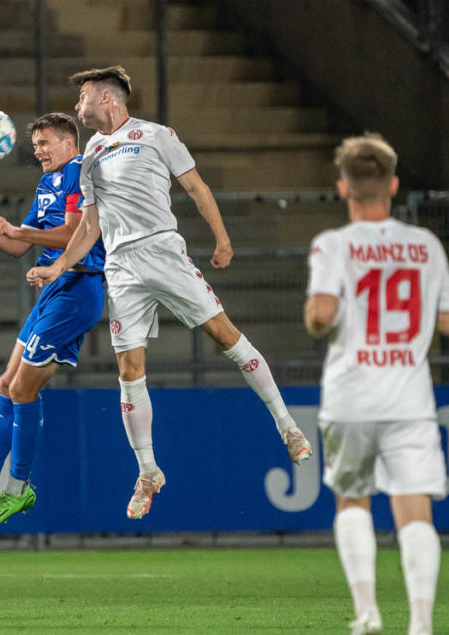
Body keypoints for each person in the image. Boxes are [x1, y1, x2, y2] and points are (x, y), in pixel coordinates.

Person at [26, 65, 312, 519]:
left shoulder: (157, 136)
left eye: (83, 96)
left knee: (225, 336)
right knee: (129, 368)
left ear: (107, 99)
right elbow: (90, 225)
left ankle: (287, 425)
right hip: (121, 267)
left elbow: (196, 187)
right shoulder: (93, 153)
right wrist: (58, 266)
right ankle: (148, 471)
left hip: (162, 251)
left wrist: (222, 239)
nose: (77, 105)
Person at [305, 133, 449, 635]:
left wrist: (320, 317)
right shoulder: (426, 245)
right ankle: (420, 629)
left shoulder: (333, 244)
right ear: (394, 185)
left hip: (350, 396)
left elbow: (321, 316)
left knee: (352, 500)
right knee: (414, 512)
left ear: (342, 187)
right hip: (409, 397)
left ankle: (368, 611)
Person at [0, 112, 106, 525]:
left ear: (69, 143)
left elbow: (73, 234)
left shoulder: (80, 173)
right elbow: (14, 244)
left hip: (79, 289)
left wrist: (21, 232)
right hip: (53, 291)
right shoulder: (47, 183)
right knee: (5, 384)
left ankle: (19, 487)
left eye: (46, 143)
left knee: (22, 386)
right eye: (36, 145)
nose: (39, 151)